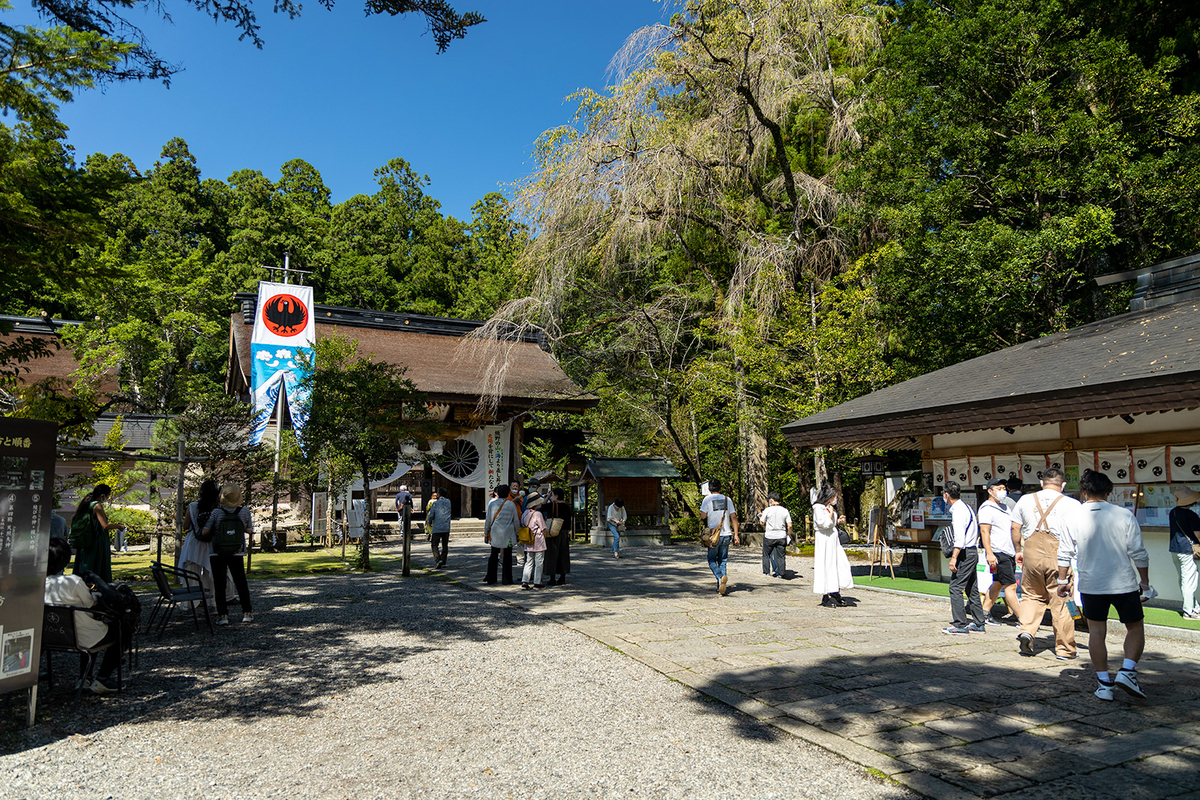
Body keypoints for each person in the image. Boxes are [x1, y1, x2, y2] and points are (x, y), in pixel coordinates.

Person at [1057, 470, 1152, 701]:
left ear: (1084, 491)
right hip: (1123, 582)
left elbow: (1064, 553)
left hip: (1091, 583)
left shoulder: (1072, 515)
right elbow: (1139, 553)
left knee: (1096, 632)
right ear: (1109, 492)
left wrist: (1062, 581)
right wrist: (1145, 582)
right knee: (1135, 627)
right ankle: (1128, 671)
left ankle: (1104, 684)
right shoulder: (1123, 514)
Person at [1010, 467, 1081, 659]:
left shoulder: (1025, 500)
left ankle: (1027, 632)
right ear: (1063, 485)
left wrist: (1018, 550)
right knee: (1061, 601)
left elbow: (1015, 527)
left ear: (1042, 483)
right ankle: (1065, 649)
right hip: (1060, 557)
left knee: (1031, 596)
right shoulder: (1073, 504)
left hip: (1031, 555)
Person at [43, 537, 121, 694]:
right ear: (65, 560)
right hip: (81, 637)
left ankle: (84, 678)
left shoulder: (38, 584)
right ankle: (102, 678)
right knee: (120, 629)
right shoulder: (73, 581)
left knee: (90, 627)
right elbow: (91, 603)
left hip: (51, 637)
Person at [201, 484, 254, 626]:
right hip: (237, 551)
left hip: (217, 552)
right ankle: (247, 613)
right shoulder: (244, 511)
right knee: (241, 582)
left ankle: (223, 616)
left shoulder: (216, 512)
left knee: (219, 584)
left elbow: (205, 531)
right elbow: (249, 530)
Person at [178, 480, 233, 612]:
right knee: (212, 572)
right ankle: (212, 602)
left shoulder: (192, 506)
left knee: (191, 572)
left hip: (194, 541)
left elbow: (185, 526)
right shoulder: (218, 508)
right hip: (211, 542)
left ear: (201, 491)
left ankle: (190, 604)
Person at [941, 480, 986, 635]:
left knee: (955, 587)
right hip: (972, 550)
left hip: (964, 553)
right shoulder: (966, 507)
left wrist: (954, 558)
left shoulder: (958, 511)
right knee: (972, 588)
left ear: (946, 495)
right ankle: (979, 623)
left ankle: (960, 624)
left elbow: (959, 539)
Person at [979, 478, 1021, 623]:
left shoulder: (1005, 507)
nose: (1002, 491)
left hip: (1008, 551)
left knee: (998, 583)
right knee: (1011, 585)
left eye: (1004, 488)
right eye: (998, 488)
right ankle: (1022, 619)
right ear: (990, 491)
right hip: (998, 551)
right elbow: (985, 532)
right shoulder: (986, 508)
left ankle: (984, 612)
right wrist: (989, 553)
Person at [70, 484, 126, 583]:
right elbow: (105, 525)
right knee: (97, 564)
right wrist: (119, 526)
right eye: (108, 496)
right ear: (102, 495)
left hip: (85, 540)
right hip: (96, 541)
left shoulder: (85, 504)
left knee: (84, 563)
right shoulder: (97, 506)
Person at [811, 483, 852, 606]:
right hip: (824, 539)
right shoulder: (818, 508)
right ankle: (825, 594)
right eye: (834, 496)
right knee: (826, 564)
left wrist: (837, 520)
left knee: (837, 563)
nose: (835, 499)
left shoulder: (827, 506)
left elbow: (831, 523)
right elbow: (823, 524)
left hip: (832, 538)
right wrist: (830, 515)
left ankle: (835, 590)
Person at [700, 479, 740, 596]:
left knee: (711, 559)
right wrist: (736, 534)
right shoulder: (728, 500)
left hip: (713, 536)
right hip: (726, 534)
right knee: (723, 560)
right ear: (721, 488)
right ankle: (721, 585)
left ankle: (720, 577)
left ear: (709, 489)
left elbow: (703, 516)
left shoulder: (707, 499)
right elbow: (734, 517)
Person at [1168, 486, 1200, 620]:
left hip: (1175, 550)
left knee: (1183, 580)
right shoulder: (1192, 515)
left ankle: (1195, 607)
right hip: (1187, 550)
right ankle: (1189, 611)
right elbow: (1198, 535)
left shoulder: (1173, 512)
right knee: (1189, 581)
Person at [484, 484, 519, 585]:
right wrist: (517, 533)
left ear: (497, 493)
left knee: (493, 555)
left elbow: (488, 520)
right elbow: (516, 521)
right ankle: (507, 579)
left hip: (495, 532)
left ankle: (491, 577)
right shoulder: (511, 504)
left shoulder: (492, 504)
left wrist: (486, 533)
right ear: (508, 493)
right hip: (508, 533)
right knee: (507, 556)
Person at [543, 487, 572, 586]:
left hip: (553, 532)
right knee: (563, 554)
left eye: (553, 495)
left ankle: (552, 577)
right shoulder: (567, 507)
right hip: (564, 532)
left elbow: (541, 507)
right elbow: (568, 521)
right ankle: (562, 576)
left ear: (556, 496)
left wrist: (547, 497)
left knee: (551, 554)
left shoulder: (551, 505)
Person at [758, 491, 792, 578]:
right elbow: (790, 525)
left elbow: (762, 522)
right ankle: (781, 573)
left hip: (770, 536)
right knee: (781, 556)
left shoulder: (767, 510)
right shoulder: (785, 510)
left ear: (771, 500)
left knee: (766, 554)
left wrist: (760, 517)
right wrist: (788, 534)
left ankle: (766, 572)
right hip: (781, 535)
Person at [520, 491, 548, 589]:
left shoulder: (524, 513)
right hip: (538, 540)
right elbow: (543, 528)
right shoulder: (538, 514)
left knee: (529, 561)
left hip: (528, 540)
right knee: (539, 562)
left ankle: (525, 581)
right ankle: (537, 582)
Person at [426, 487, 452, 568]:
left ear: (439, 494)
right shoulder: (449, 502)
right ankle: (443, 560)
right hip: (446, 526)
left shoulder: (435, 503)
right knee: (445, 545)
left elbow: (431, 515)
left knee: (434, 544)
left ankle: (438, 559)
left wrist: (429, 522)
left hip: (437, 526)